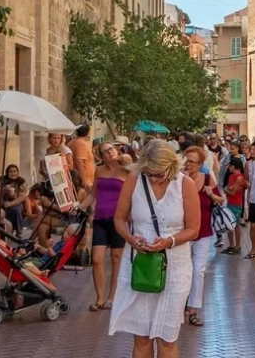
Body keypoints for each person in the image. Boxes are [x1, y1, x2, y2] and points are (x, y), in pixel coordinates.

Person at [108, 139, 201, 358]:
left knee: (166, 339)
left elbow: (194, 229)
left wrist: (169, 241)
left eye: (159, 174)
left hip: (175, 268)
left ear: (171, 166)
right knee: (141, 337)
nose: (154, 179)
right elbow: (119, 219)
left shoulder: (184, 183)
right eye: (149, 174)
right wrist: (131, 239)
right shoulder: (134, 180)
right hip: (140, 265)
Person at [77, 142, 129, 312]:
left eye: (111, 149)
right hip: (100, 218)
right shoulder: (99, 171)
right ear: (101, 156)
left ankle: (112, 297)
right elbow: (93, 195)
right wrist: (80, 206)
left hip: (118, 219)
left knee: (116, 258)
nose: (109, 153)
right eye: (105, 151)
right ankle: (99, 298)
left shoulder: (126, 169)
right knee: (97, 259)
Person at [182, 146, 224, 326]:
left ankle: (193, 309)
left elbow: (222, 200)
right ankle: (180, 304)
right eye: (186, 160)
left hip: (204, 231)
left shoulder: (208, 178)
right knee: (183, 270)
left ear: (200, 164)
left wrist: (211, 194)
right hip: (182, 233)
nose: (188, 164)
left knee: (198, 270)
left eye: (192, 161)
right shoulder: (178, 179)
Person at [222, 157, 246, 255]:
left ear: (234, 166)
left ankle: (238, 245)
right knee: (229, 225)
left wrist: (227, 189)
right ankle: (231, 245)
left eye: (230, 165)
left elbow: (232, 191)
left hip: (236, 203)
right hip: (230, 202)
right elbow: (229, 189)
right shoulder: (231, 176)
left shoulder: (239, 177)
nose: (229, 167)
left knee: (235, 225)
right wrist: (228, 189)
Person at [0, 164, 28, 236]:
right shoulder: (2, 179)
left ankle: (19, 231)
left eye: (15, 171)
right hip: (3, 201)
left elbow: (23, 196)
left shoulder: (21, 181)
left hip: (16, 202)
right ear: (7, 173)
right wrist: (4, 189)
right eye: (10, 172)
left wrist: (11, 203)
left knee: (17, 209)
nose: (13, 173)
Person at [68, 123, 96, 189]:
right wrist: (83, 180)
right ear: (88, 132)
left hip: (77, 179)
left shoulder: (71, 142)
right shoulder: (81, 144)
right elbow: (79, 162)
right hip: (83, 181)